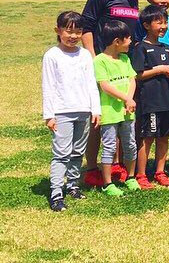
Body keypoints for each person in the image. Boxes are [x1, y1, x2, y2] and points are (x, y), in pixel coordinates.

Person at [81, 0, 142, 187]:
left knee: (120, 114)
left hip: (122, 65)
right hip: (102, 65)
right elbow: (86, 26)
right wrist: (94, 58)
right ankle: (93, 168)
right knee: (100, 119)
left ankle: (116, 164)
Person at [43, 11, 101, 211]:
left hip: (83, 110)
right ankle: (56, 192)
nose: (73, 36)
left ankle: (73, 185)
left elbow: (91, 84)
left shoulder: (84, 54)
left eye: (78, 31)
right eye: (69, 31)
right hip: (62, 112)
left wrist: (95, 109)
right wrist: (49, 115)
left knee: (77, 151)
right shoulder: (52, 55)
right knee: (62, 153)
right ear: (58, 31)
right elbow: (48, 86)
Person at [131, 5, 169, 189]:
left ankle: (160, 171)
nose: (163, 26)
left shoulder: (167, 48)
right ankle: (141, 174)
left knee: (164, 137)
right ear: (146, 25)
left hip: (167, 101)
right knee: (147, 137)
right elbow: (137, 75)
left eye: (165, 22)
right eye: (159, 22)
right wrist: (159, 70)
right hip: (149, 102)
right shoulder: (140, 48)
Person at [92, 21, 140, 196]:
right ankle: (107, 183)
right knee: (110, 147)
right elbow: (105, 86)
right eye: (128, 38)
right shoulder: (99, 60)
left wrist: (130, 100)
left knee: (130, 145)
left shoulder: (125, 59)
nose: (131, 41)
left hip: (128, 112)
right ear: (116, 41)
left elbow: (132, 79)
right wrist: (127, 98)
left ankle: (131, 177)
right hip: (110, 112)